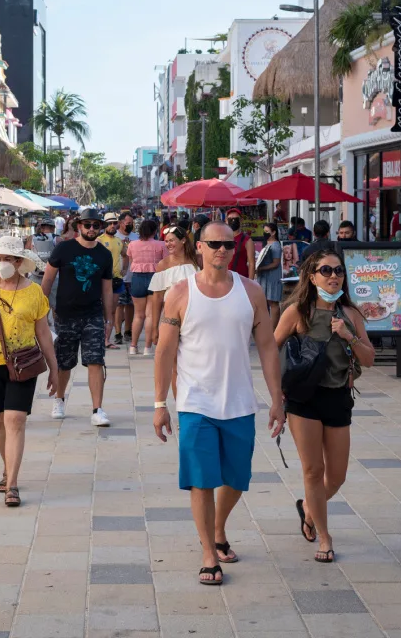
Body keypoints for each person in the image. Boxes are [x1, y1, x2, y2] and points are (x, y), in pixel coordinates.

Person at [153, 221, 285, 585]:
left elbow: (268, 346)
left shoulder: (252, 291)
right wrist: (159, 403)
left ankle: (217, 527)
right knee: (202, 480)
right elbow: (164, 351)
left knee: (237, 478)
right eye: (213, 244)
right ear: (199, 247)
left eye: (228, 245)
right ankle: (209, 553)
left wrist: (277, 399)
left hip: (240, 401)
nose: (221, 251)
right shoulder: (180, 293)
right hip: (195, 402)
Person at [274, 250, 375, 563]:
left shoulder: (350, 314)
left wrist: (348, 336)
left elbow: (369, 359)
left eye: (339, 271)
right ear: (311, 275)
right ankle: (325, 537)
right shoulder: (297, 312)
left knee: (337, 476)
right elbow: (270, 351)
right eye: (326, 270)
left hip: (337, 397)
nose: (333, 276)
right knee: (313, 470)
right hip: (304, 398)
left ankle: (308, 508)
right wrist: (276, 398)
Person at [0, 236, 59, 506]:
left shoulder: (34, 293)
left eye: (8, 259)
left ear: (19, 262)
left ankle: (12, 485)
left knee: (15, 419)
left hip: (23, 366)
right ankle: (8, 469)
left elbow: (43, 333)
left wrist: (54, 368)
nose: (2, 263)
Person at [42, 208, 113, 425]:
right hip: (65, 315)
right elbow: (47, 280)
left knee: (95, 361)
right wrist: (41, 309)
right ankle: (60, 399)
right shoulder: (64, 249)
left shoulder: (104, 254)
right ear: (79, 226)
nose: (91, 229)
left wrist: (109, 319)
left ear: (100, 228)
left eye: (96, 225)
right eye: (87, 225)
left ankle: (97, 409)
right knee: (64, 363)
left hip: (93, 315)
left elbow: (107, 289)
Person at [149, 225, 200, 398]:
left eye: (172, 240)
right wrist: (155, 328)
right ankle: (181, 407)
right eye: (166, 241)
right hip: (172, 320)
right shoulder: (163, 265)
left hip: (196, 318)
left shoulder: (196, 261)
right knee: (176, 365)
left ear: (183, 240)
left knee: (196, 364)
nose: (168, 244)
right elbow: (156, 299)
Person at [127, 220, 167, 356]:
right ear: (154, 231)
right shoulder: (161, 245)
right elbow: (165, 262)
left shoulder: (132, 244)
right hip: (155, 278)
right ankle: (147, 348)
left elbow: (132, 262)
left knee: (138, 315)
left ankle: (133, 346)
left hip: (137, 278)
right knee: (150, 315)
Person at [97, 213, 127, 350]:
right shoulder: (99, 240)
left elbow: (125, 255)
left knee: (112, 311)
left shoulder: (120, 241)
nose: (112, 226)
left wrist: (124, 269)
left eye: (114, 223)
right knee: (100, 310)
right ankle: (98, 337)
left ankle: (106, 339)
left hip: (116, 279)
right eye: (109, 223)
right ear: (104, 225)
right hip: (101, 280)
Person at [114, 212, 139, 344]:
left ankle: (128, 331)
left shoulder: (136, 237)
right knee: (119, 306)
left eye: (131, 223)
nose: (130, 225)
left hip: (133, 276)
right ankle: (118, 333)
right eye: (128, 223)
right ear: (121, 222)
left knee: (130, 306)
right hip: (119, 277)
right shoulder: (115, 236)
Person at [255, 222, 283, 329]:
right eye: (264, 231)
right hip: (265, 277)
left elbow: (275, 263)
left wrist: (261, 268)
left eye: (267, 231)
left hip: (272, 277)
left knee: (273, 303)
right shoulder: (267, 244)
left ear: (274, 232)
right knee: (266, 301)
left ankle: (273, 328)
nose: (265, 233)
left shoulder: (275, 245)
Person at [225, 208, 255, 280]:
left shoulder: (247, 240)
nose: (233, 221)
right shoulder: (222, 238)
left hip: (241, 279)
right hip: (224, 279)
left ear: (241, 220)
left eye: (236, 219)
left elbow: (251, 263)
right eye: (230, 219)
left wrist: (250, 283)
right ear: (226, 221)